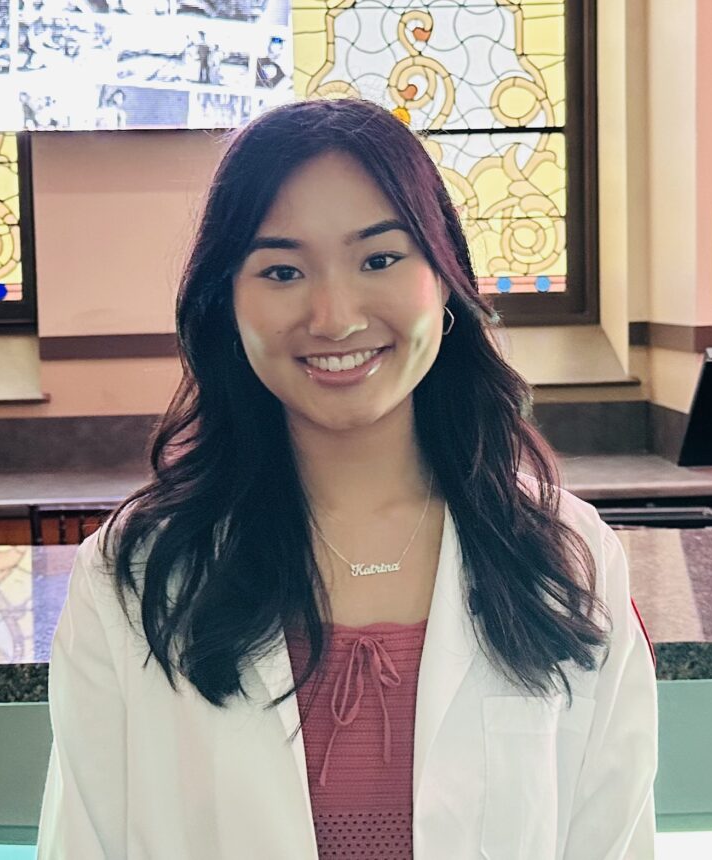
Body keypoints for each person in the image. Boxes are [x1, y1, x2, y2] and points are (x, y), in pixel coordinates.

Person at [36, 97, 658, 858]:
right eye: (283, 270)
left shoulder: (566, 557)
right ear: (228, 304)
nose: (334, 317)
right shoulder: (134, 573)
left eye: (380, 259)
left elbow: (614, 839)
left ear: (445, 280)